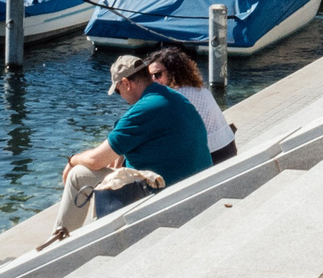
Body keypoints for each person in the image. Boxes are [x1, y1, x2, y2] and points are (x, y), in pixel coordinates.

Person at [51, 53, 213, 239]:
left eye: (118, 91)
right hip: (197, 183)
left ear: (126, 83)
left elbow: (95, 160)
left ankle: (59, 244)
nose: (121, 97)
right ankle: (99, 226)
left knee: (78, 175)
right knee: (115, 169)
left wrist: (72, 160)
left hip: (166, 193)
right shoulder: (172, 97)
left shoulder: (143, 110)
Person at [147, 45, 237, 164]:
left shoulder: (174, 95)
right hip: (228, 146)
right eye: (150, 76)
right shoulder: (200, 89)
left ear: (173, 71)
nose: (153, 80)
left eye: (157, 74)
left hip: (212, 154)